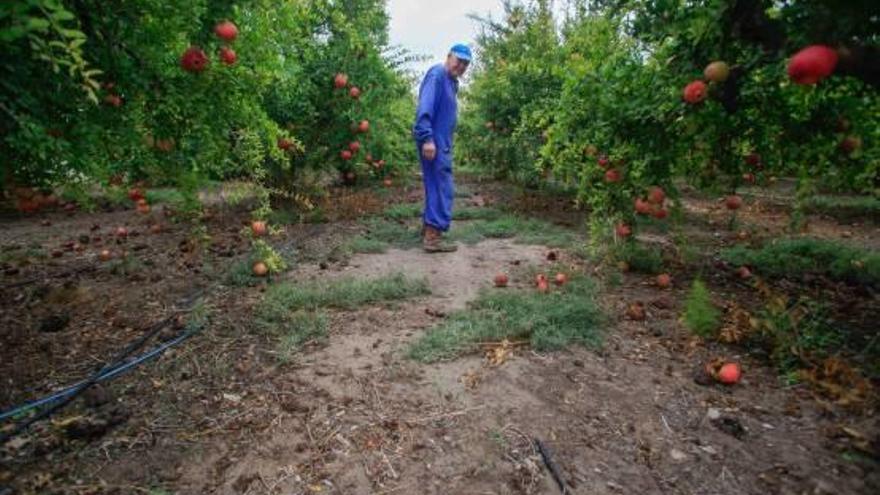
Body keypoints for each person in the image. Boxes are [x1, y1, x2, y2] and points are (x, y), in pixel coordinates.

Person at [413, 43, 471, 252]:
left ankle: (430, 228)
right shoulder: (437, 75)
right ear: (449, 57)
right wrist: (427, 138)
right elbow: (425, 107)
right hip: (433, 142)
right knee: (441, 186)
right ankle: (432, 236)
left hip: (441, 142)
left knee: (438, 184)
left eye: (466, 64)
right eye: (459, 61)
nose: (462, 66)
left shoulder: (452, 82)